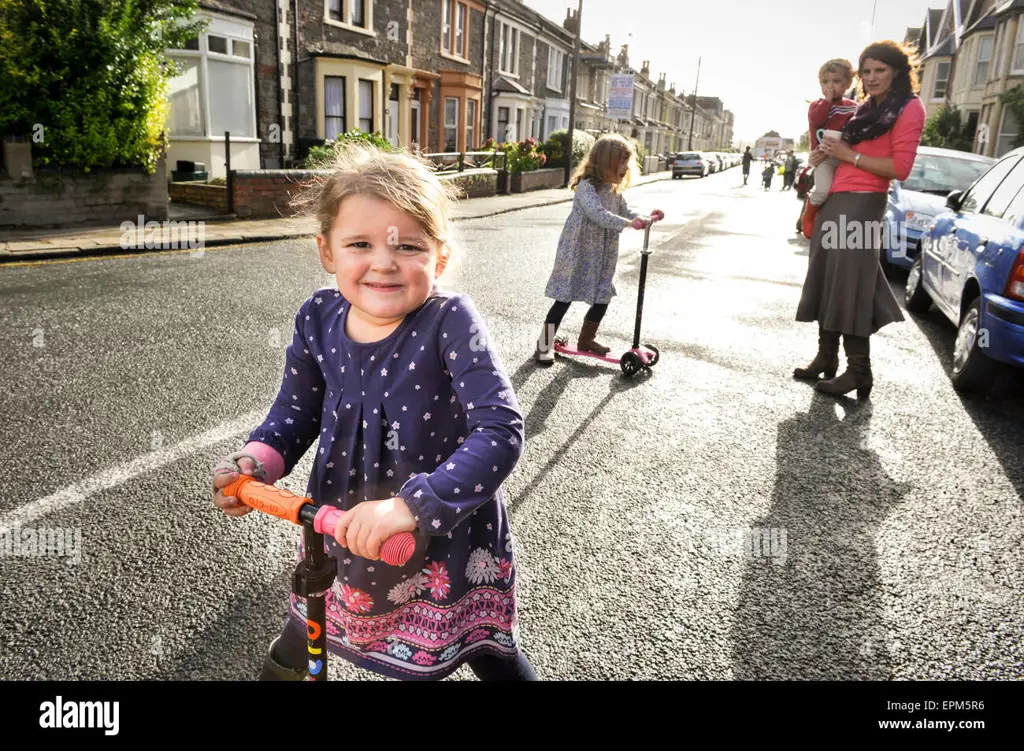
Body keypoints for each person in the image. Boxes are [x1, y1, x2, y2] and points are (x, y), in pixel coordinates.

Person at [211, 143, 538, 681]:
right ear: (327, 250)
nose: (383, 262)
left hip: (440, 532)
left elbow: (500, 429)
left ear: (440, 257)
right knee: (311, 617)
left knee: (485, 648)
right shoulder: (318, 315)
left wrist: (412, 505)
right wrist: (256, 463)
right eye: (359, 243)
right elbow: (294, 412)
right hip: (341, 524)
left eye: (407, 245)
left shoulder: (448, 320)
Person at [795, 41, 926, 399]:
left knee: (850, 281)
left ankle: (858, 371)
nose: (871, 78)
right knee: (827, 275)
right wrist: (822, 156)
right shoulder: (866, 108)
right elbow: (837, 149)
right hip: (836, 196)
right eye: (866, 71)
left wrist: (848, 156)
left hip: (865, 200)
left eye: (879, 70)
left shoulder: (909, 108)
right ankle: (826, 356)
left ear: (897, 71)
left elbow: (900, 168)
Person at [535, 134, 663, 364]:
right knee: (564, 297)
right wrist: (628, 224)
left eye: (627, 162)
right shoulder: (586, 188)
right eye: (621, 162)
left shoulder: (613, 190)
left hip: (603, 253)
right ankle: (543, 346)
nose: (625, 167)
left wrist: (643, 218)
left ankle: (586, 339)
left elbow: (625, 211)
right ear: (605, 163)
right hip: (578, 251)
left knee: (603, 295)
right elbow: (598, 214)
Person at [801, 59, 859, 237]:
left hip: (845, 156)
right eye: (825, 82)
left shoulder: (854, 107)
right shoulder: (817, 106)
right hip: (823, 157)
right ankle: (808, 215)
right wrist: (827, 100)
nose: (830, 86)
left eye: (836, 81)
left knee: (841, 195)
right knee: (823, 190)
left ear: (848, 84)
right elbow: (818, 120)